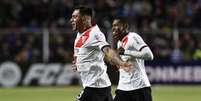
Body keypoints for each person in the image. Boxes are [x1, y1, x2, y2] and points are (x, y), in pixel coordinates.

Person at [70, 6, 132, 101]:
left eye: (75, 17)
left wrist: (121, 63)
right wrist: (77, 63)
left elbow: (107, 50)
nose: (71, 20)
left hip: (95, 87)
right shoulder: (80, 34)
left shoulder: (95, 34)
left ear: (85, 19)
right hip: (99, 86)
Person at [111, 17, 154, 101]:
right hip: (123, 87)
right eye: (113, 25)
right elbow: (125, 60)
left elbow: (149, 55)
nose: (113, 28)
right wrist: (117, 63)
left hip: (139, 87)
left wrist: (126, 52)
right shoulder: (119, 42)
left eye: (116, 25)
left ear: (125, 26)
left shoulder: (133, 37)